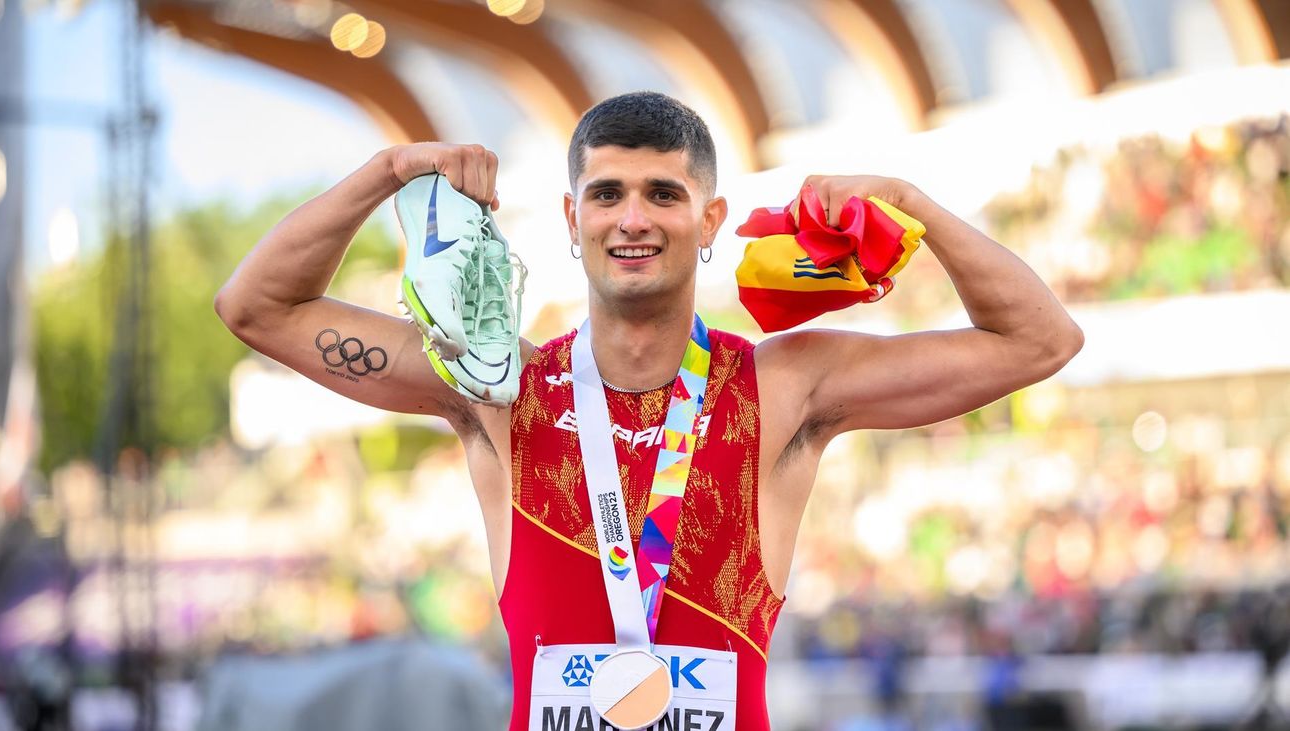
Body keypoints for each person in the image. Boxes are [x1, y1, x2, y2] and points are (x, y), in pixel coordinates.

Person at [214, 91, 1084, 729]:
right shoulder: (497, 390)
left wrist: (913, 205)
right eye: (608, 193)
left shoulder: (782, 389)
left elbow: (1040, 340)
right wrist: (389, 172)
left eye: (663, 194)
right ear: (570, 217)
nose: (634, 218)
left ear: (710, 221)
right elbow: (258, 308)